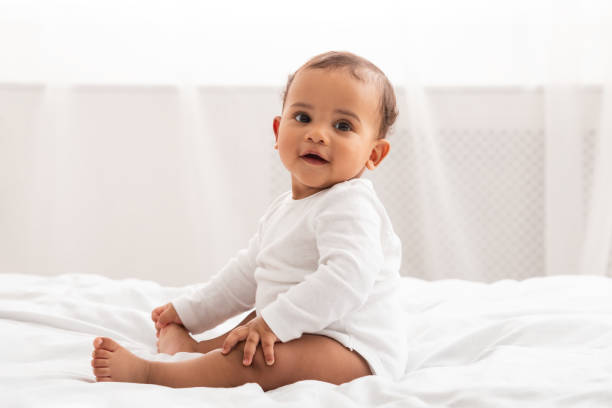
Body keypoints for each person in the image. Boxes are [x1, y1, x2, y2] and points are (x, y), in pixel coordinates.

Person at [90, 50, 406, 391]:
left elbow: (346, 280)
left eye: (342, 126)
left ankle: (153, 374)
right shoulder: (284, 208)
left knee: (258, 353)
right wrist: (190, 312)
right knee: (249, 328)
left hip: (352, 347)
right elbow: (247, 274)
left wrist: (274, 323)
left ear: (374, 154)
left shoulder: (351, 205)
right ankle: (195, 354)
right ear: (277, 131)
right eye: (302, 117)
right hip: (302, 328)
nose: (317, 134)